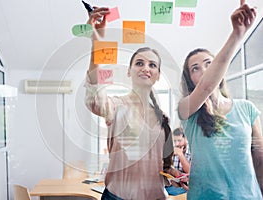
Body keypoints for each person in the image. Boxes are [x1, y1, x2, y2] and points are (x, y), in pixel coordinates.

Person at [84, 7, 175, 200]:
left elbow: (162, 165)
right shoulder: (116, 106)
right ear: (129, 71)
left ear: (158, 75)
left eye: (152, 65)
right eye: (139, 63)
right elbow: (94, 97)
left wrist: (175, 175)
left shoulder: (162, 118)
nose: (146, 68)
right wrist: (97, 43)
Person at [178, 1, 263, 199]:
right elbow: (206, 86)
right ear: (190, 80)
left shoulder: (247, 108)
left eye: (210, 64)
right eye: (195, 68)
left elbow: (259, 158)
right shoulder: (186, 110)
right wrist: (237, 34)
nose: (205, 70)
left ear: (220, 71)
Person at [165, 127, 191, 196]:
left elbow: (190, 172)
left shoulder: (193, 151)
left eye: (179, 140)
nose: (176, 144)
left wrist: (180, 155)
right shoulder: (173, 150)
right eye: (174, 141)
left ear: (185, 139)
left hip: (189, 185)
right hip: (175, 184)